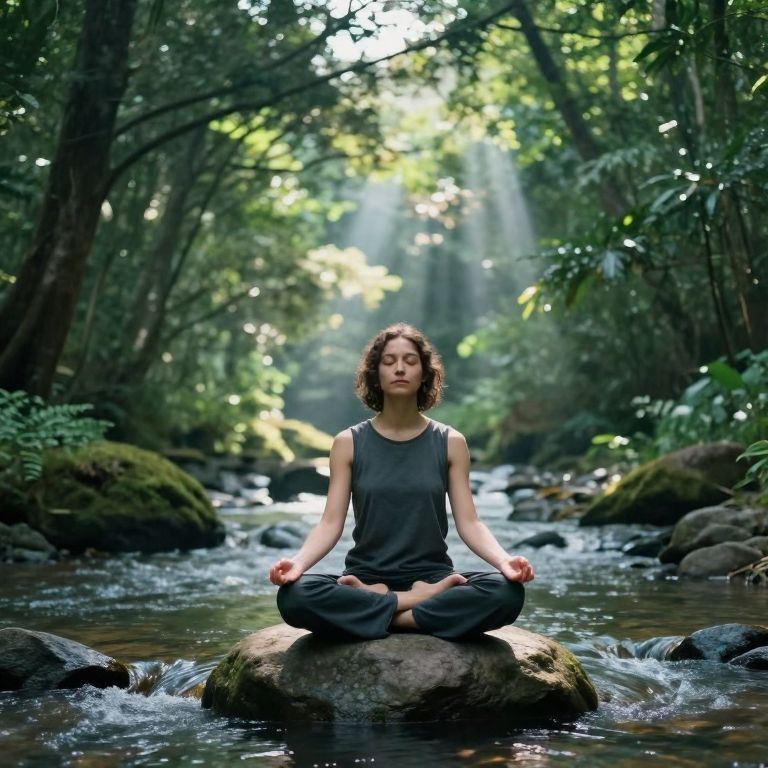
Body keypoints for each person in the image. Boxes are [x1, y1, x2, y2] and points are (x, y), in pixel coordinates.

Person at [269, 323, 534, 640]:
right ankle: (415, 606)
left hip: (432, 576)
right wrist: (297, 564)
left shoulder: (450, 442)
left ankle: (384, 611)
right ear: (375, 373)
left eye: (410, 361)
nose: (399, 368)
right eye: (389, 360)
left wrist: (506, 561)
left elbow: (471, 523)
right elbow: (329, 523)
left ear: (424, 374)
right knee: (295, 596)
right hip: (365, 577)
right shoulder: (347, 443)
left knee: (506, 593)